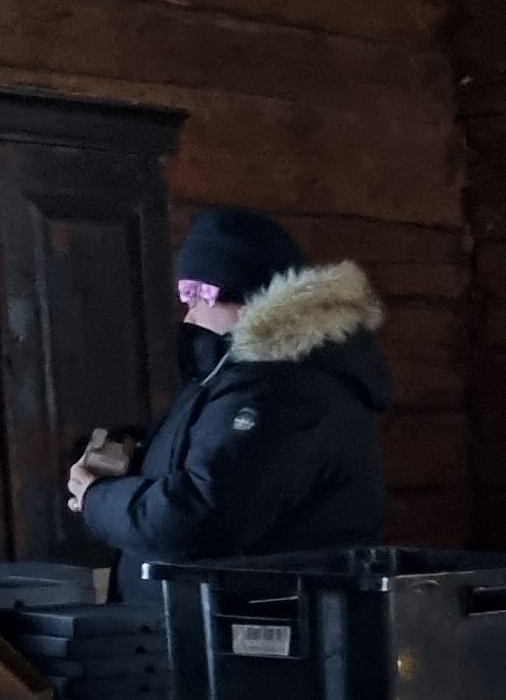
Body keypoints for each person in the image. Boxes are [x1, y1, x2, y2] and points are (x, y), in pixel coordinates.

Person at [66, 206, 390, 575]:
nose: (188, 307)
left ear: (249, 292)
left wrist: (97, 498)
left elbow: (200, 515)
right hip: (210, 619)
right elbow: (216, 464)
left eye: (198, 291)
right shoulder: (235, 373)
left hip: (263, 619)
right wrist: (137, 453)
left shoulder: (285, 387)